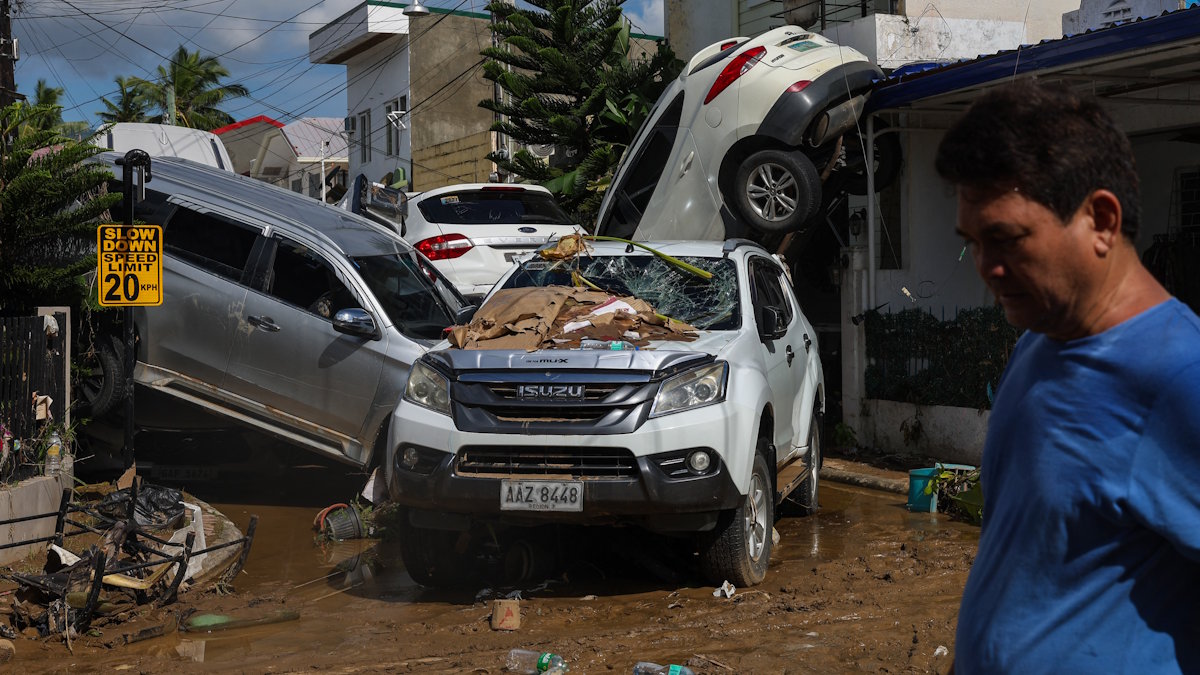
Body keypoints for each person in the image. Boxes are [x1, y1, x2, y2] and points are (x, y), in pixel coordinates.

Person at [934, 79, 1200, 674]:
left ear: (1101, 220)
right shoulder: (1035, 345)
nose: (987, 268)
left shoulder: (1178, 377)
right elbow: (1021, 563)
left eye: (1006, 238)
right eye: (973, 243)